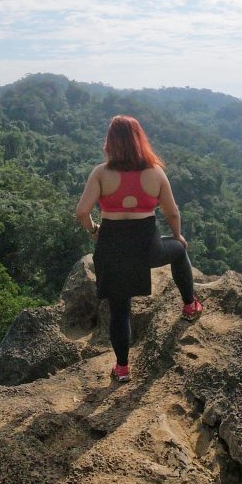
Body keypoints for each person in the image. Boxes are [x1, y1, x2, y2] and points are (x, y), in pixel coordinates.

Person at [74, 115, 203, 383]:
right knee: (178, 250)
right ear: (139, 140)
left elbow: (82, 212)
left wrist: (94, 230)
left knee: (120, 310)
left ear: (110, 142)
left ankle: (122, 369)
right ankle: (190, 306)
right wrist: (178, 236)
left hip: (112, 249)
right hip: (148, 249)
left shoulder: (101, 173)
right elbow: (172, 212)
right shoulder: (155, 172)